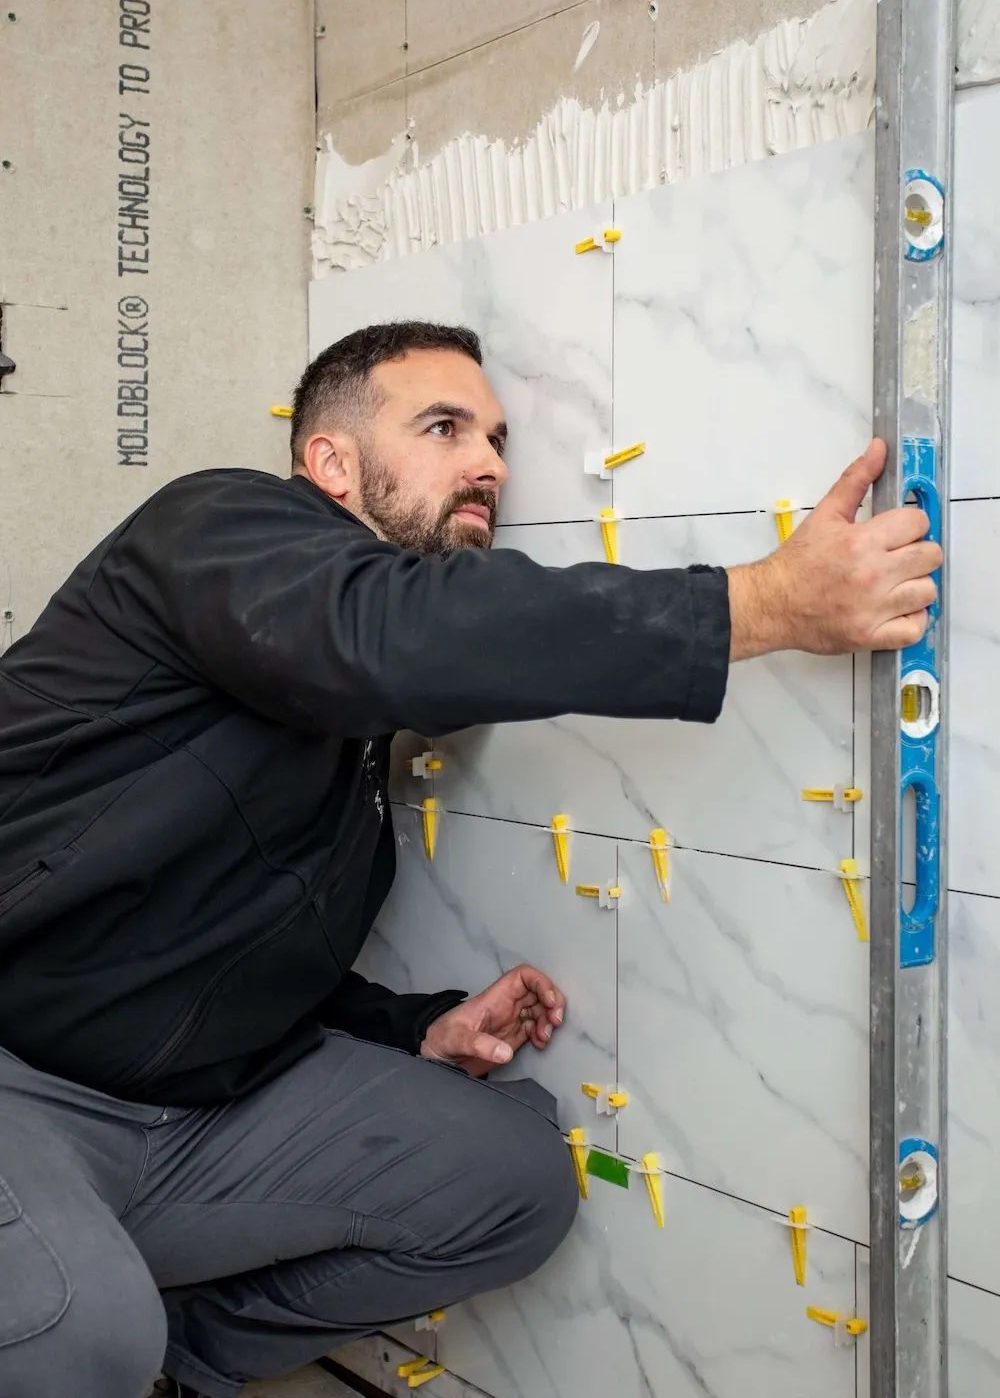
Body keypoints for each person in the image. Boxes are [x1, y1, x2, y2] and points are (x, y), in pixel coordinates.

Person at [0, 322, 939, 1398]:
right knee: (75, 1329)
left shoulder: (350, 742)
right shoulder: (214, 530)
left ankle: (179, 1353)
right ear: (332, 463)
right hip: (20, 1077)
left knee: (515, 1180)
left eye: (494, 437)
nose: (487, 461)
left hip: (189, 1112)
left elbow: (206, 952)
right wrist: (765, 601)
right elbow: (389, 630)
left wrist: (412, 1028)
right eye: (443, 427)